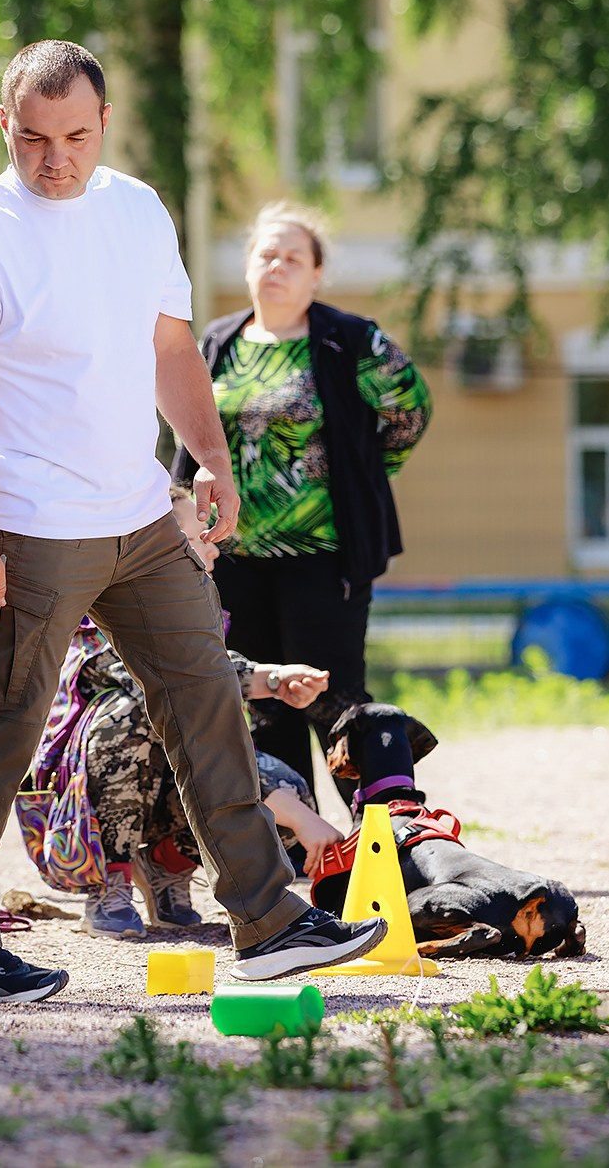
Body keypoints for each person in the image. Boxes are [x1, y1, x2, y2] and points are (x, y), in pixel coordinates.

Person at [0, 39, 387, 1003]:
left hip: (140, 513)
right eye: (35, 138)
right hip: (32, 527)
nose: (57, 158)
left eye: (76, 136)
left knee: (206, 698)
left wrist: (209, 457)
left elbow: (171, 347)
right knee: (3, 724)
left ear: (104, 124)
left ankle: (267, 918)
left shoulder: (136, 210)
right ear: (6, 124)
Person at [174, 203, 432, 799]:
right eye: (266, 254)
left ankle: (382, 830)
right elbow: (188, 431)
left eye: (294, 257)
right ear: (247, 266)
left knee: (331, 694)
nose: (277, 266)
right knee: (262, 703)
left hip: (324, 555)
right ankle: (292, 844)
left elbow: (409, 412)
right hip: (230, 556)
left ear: (317, 273)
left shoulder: (351, 341)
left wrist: (362, 475)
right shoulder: (217, 342)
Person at [26, 491, 344, 939]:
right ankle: (109, 881)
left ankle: (163, 864)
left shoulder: (202, 608)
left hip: (158, 786)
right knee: (135, 711)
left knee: (285, 783)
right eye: (200, 538)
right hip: (83, 791)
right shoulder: (101, 605)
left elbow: (206, 676)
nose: (213, 548)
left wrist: (273, 682)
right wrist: (264, 678)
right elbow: (168, 677)